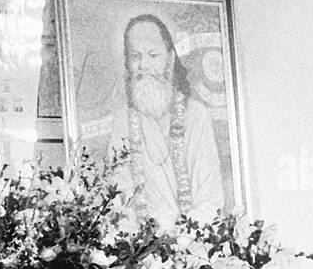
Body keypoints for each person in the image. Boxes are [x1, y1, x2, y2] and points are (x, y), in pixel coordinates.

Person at [96, 14, 224, 225]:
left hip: (190, 242)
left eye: (153, 55)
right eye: (135, 56)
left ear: (171, 59)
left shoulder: (195, 115)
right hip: (138, 247)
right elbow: (117, 196)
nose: (143, 65)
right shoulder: (122, 121)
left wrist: (177, 241)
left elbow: (211, 199)